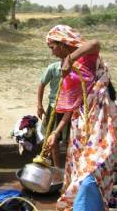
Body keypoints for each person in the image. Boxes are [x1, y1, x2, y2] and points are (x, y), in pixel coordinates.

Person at [44, 25, 117, 211]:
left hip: (100, 120)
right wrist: (55, 132)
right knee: (82, 169)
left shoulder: (84, 58)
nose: (52, 53)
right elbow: (72, 105)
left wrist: (71, 58)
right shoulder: (66, 70)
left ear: (63, 44)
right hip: (81, 123)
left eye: (52, 47)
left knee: (93, 168)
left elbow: (94, 43)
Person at [37, 60, 70, 167]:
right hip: (53, 109)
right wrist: (39, 105)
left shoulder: (75, 70)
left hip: (69, 108)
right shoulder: (53, 68)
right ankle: (56, 167)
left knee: (69, 139)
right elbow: (42, 84)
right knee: (52, 140)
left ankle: (70, 166)